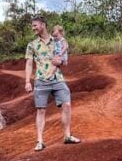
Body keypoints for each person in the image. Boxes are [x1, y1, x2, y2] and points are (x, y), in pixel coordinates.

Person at [24, 16, 82, 151]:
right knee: (41, 110)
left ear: (43, 25)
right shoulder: (32, 45)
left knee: (67, 104)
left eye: (35, 25)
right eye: (32, 26)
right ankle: (40, 141)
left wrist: (60, 62)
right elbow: (28, 63)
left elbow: (65, 61)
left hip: (57, 78)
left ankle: (67, 136)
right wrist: (27, 81)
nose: (33, 28)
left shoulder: (57, 41)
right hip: (41, 80)